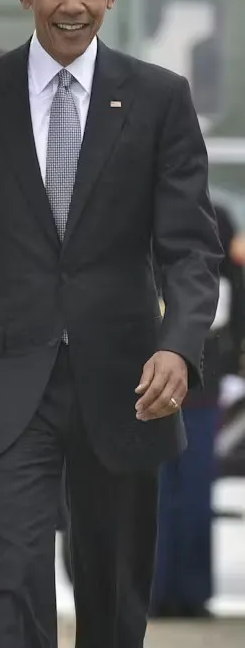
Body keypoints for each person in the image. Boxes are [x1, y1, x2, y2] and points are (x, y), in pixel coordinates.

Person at [0, 0, 223, 648]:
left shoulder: (159, 99)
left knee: (110, 601)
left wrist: (179, 347)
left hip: (126, 383)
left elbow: (190, 251)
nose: (70, 3)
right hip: (5, 382)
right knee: (11, 579)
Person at [151, 200, 245, 619]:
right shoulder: (215, 217)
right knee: (175, 491)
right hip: (184, 380)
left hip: (175, 382)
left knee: (173, 491)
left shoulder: (149, 209)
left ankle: (167, 591)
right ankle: (180, 592)